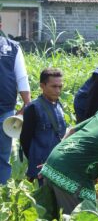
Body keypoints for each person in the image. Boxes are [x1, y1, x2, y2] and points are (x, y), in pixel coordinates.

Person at [20, 68, 66, 185]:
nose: (57, 90)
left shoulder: (59, 105)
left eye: (60, 86)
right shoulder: (33, 107)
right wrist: (35, 161)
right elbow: (25, 140)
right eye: (54, 86)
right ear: (42, 86)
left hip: (58, 164)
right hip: (41, 167)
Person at [0, 30, 31, 185]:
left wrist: (27, 105)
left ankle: (2, 195)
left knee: (2, 156)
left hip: (5, 112)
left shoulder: (12, 47)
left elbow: (21, 77)